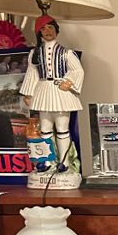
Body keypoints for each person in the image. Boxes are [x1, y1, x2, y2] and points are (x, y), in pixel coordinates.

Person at [21, 16, 84, 174]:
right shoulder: (35, 53)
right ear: (39, 32)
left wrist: (69, 82)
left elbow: (78, 70)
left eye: (50, 27)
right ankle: (47, 161)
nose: (47, 31)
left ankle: (64, 162)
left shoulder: (66, 53)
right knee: (45, 128)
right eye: (43, 28)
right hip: (43, 91)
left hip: (60, 92)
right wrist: (28, 92)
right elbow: (32, 73)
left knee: (62, 128)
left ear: (56, 30)